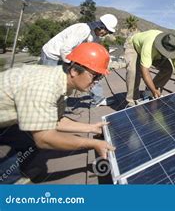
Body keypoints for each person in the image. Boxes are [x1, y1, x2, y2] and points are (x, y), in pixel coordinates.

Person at [0, 43, 115, 180]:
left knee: (31, 133)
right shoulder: (43, 87)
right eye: (94, 76)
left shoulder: (61, 80)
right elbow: (44, 139)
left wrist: (91, 128)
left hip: (9, 117)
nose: (96, 82)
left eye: (100, 78)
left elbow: (55, 119)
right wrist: (94, 144)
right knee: (29, 139)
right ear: (74, 71)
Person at [39, 14, 118, 107]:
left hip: (67, 56)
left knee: (89, 74)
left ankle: (98, 99)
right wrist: (71, 66)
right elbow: (65, 49)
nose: (106, 34)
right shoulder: (83, 29)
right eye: (107, 31)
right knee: (51, 83)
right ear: (100, 26)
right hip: (52, 55)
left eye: (109, 32)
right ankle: (47, 106)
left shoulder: (95, 37)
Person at [124, 30, 175, 107]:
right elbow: (145, 71)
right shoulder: (149, 46)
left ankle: (149, 90)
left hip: (155, 53)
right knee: (133, 71)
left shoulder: (174, 49)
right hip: (133, 46)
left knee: (168, 69)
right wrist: (154, 91)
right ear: (161, 47)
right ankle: (132, 101)